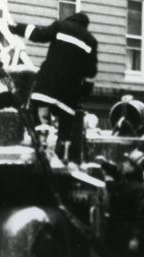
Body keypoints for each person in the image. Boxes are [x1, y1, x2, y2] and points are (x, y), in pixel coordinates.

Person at [10, 11, 98, 162]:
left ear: (71, 19)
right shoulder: (91, 41)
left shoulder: (60, 26)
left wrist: (16, 28)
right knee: (65, 127)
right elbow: (91, 71)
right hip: (68, 95)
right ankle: (63, 154)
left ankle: (41, 149)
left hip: (46, 88)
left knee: (41, 119)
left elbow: (38, 35)